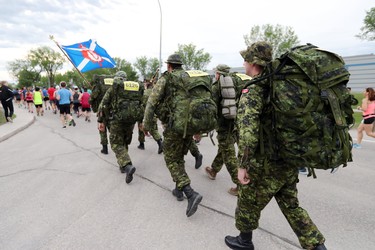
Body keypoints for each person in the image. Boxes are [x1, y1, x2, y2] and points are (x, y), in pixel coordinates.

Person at [224, 42, 326, 250]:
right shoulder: (281, 87)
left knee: (247, 200)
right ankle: (318, 247)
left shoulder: (253, 89)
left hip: (264, 161)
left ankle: (244, 241)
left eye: (245, 59)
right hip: (288, 158)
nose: (243, 63)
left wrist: (242, 165)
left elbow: (247, 131)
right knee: (291, 205)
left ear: (253, 63)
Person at [143, 54, 203, 217]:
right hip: (191, 124)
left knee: (171, 158)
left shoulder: (167, 78)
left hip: (174, 125)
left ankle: (190, 193)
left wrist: (146, 125)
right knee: (179, 156)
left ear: (169, 66)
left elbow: (152, 102)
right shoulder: (190, 77)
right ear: (180, 65)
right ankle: (178, 190)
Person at [98, 71, 142, 184]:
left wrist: (101, 121)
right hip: (130, 121)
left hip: (116, 121)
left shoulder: (114, 89)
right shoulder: (134, 90)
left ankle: (127, 165)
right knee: (124, 142)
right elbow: (142, 105)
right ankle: (123, 165)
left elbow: (103, 105)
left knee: (116, 143)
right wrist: (141, 122)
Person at [205, 64, 240, 196]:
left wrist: (208, 125)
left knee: (228, 154)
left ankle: (239, 185)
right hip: (237, 122)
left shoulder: (217, 86)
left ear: (219, 74)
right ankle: (213, 170)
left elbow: (212, 108)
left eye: (216, 73)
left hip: (224, 124)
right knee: (224, 148)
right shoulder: (236, 82)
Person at [137, 79, 164, 154]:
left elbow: (141, 104)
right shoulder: (156, 93)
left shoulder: (144, 93)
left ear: (146, 85)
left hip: (145, 114)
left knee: (142, 128)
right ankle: (160, 143)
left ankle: (142, 144)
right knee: (154, 130)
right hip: (154, 114)